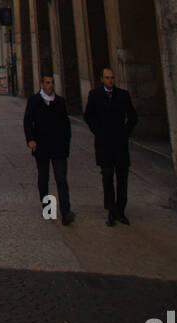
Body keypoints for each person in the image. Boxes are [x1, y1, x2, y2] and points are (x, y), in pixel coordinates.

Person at [84, 67, 138, 226]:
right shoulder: (95, 95)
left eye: (112, 78)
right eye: (107, 78)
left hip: (120, 143)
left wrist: (124, 132)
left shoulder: (123, 95)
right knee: (107, 175)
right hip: (104, 143)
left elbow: (133, 117)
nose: (110, 81)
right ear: (102, 79)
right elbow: (88, 116)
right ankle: (111, 209)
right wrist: (98, 131)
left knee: (122, 177)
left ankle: (120, 210)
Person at [23, 72, 75, 225]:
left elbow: (66, 126)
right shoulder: (34, 101)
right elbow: (27, 122)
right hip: (42, 146)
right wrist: (31, 140)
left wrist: (66, 145)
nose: (50, 85)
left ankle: (66, 212)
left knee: (61, 179)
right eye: (47, 82)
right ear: (41, 84)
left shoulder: (59, 102)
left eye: (52, 82)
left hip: (59, 147)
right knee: (44, 178)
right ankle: (48, 208)